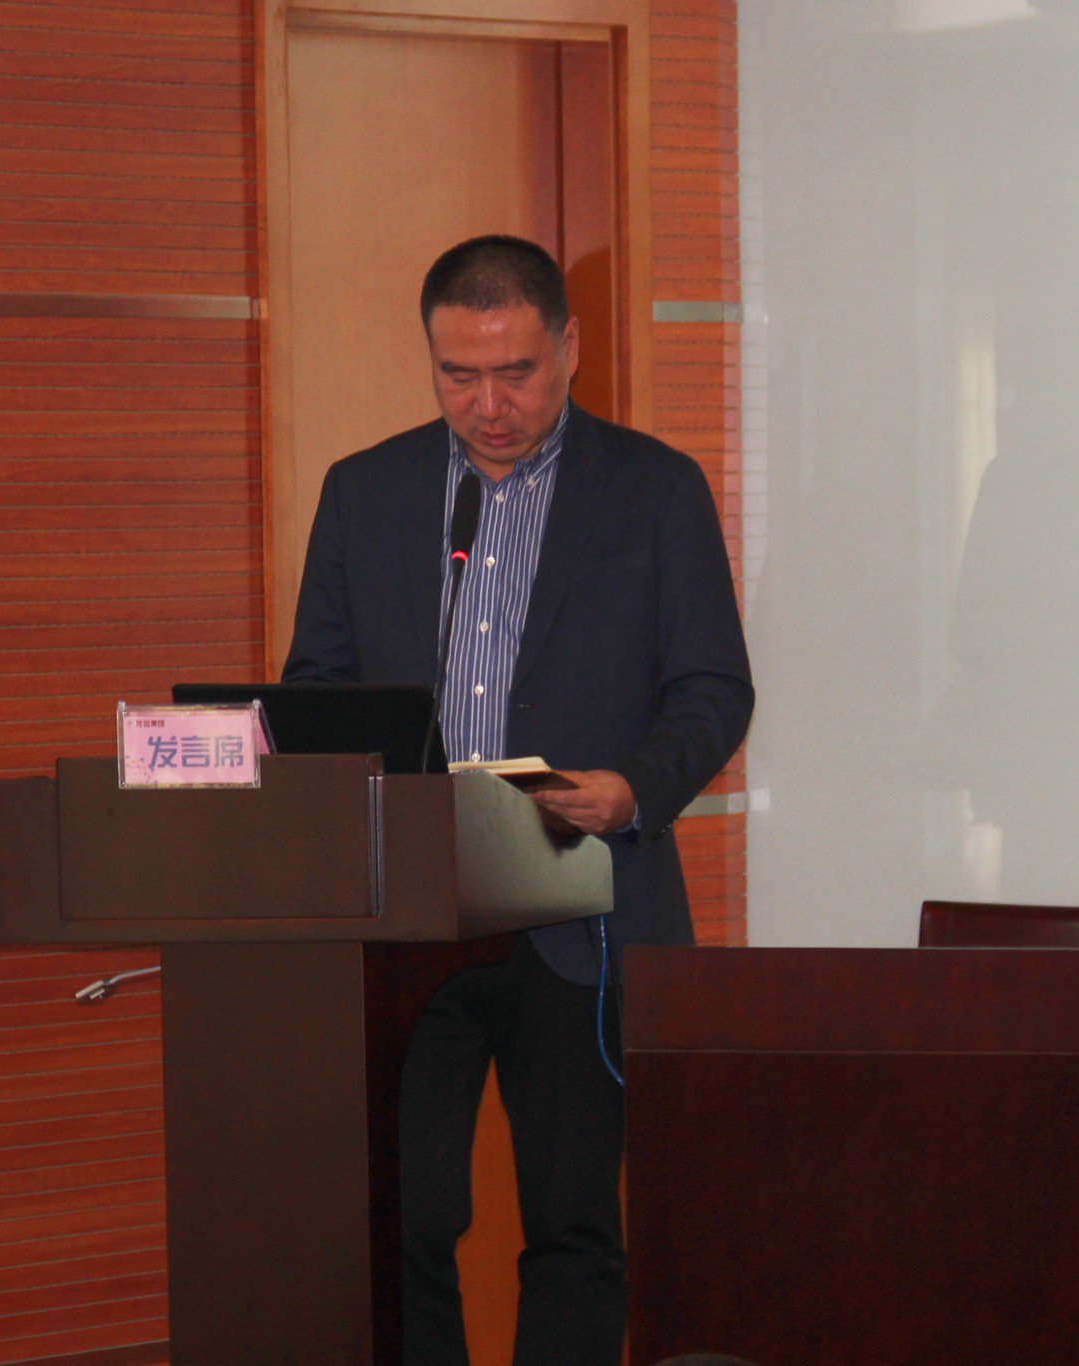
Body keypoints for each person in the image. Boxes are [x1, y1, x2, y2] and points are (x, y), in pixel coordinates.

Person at [282, 235, 753, 1365]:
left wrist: (635, 789)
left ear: (569, 348)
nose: (488, 406)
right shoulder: (366, 492)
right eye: (459, 375)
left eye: (516, 373)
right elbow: (316, 692)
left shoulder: (655, 490)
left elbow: (713, 687)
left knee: (576, 1228)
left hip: (580, 910)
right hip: (407, 926)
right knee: (401, 1217)